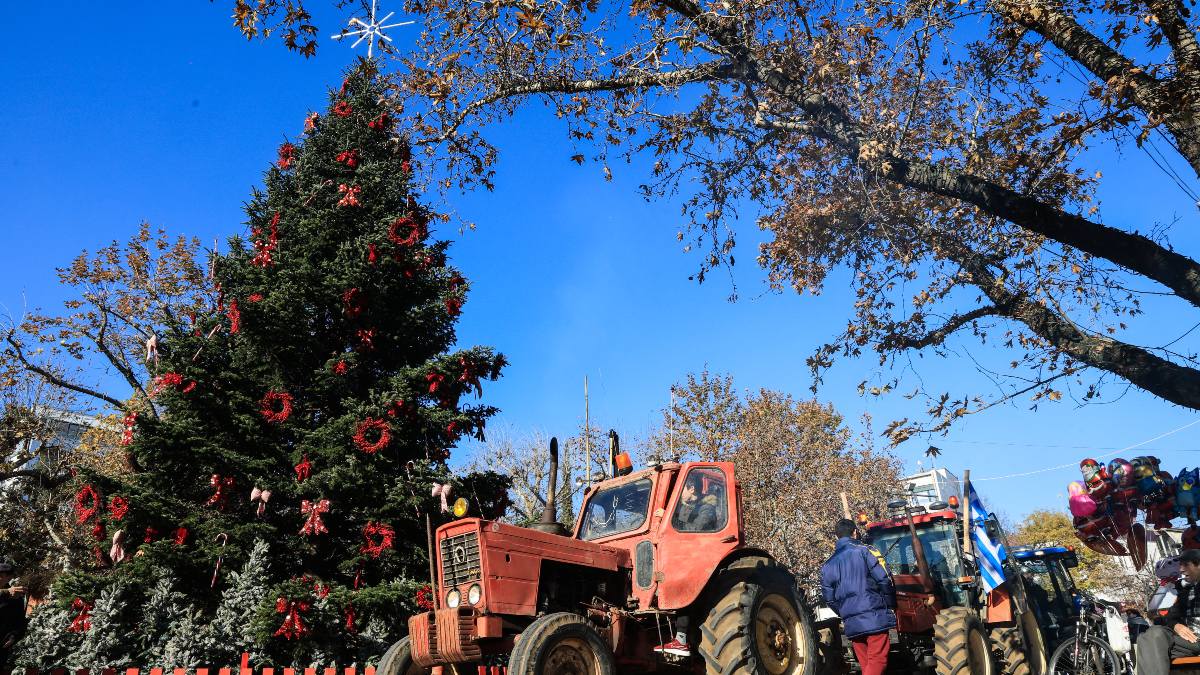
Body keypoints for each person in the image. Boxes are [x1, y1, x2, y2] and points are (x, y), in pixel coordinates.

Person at [821, 519, 896, 675]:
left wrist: (844, 612)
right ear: (855, 532)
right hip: (874, 616)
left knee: (867, 665)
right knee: (876, 662)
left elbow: (829, 598)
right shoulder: (866, 550)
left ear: (836, 538)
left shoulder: (828, 565)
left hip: (852, 624)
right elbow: (885, 579)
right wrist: (890, 604)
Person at [1138, 548, 1200, 675]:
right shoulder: (1184, 589)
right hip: (1190, 641)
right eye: (1180, 565)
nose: (1181, 570)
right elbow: (1171, 616)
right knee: (1149, 637)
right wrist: (1176, 625)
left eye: (1186, 565)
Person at [0, 563, 26, 665]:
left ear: (9, 577)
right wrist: (6, 592)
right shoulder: (8, 593)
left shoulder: (15, 598)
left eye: (1, 575)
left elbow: (19, 622)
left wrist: (13, 636)